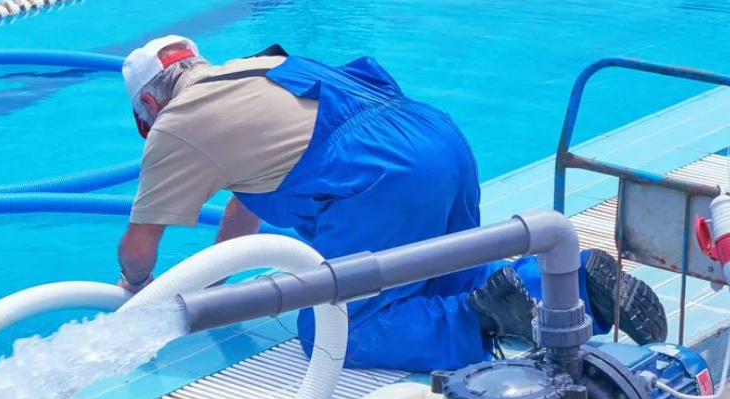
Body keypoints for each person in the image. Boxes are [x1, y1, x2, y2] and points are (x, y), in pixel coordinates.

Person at [116, 35, 667, 372]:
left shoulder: (179, 124)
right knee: (448, 276)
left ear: (149, 102)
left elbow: (140, 249)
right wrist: (212, 287)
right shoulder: (256, 69)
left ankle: (482, 320)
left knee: (336, 329)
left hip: (376, 176)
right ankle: (565, 282)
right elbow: (243, 209)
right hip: (436, 138)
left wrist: (141, 294)